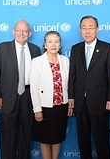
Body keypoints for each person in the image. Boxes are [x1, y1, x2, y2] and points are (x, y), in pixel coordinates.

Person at [0, 20, 41, 158]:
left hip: (28, 97)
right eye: (18, 30)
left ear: (29, 34)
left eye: (24, 31)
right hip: (7, 98)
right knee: (7, 138)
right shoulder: (1, 48)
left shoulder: (35, 50)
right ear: (13, 31)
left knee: (25, 135)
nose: (21, 33)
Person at [68, 15, 110, 159]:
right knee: (83, 140)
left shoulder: (107, 48)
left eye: (90, 27)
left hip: (100, 102)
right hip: (80, 102)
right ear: (80, 30)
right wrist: (71, 96)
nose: (87, 31)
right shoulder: (75, 49)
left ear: (97, 29)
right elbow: (72, 75)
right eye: (84, 28)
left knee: (101, 140)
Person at [30, 31, 73, 159]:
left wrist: (70, 105)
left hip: (61, 106)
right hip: (45, 107)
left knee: (57, 138)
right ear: (45, 44)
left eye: (56, 41)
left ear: (60, 45)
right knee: (45, 139)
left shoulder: (65, 61)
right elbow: (34, 88)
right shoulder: (37, 61)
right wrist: (37, 110)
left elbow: (69, 84)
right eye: (50, 41)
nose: (53, 44)